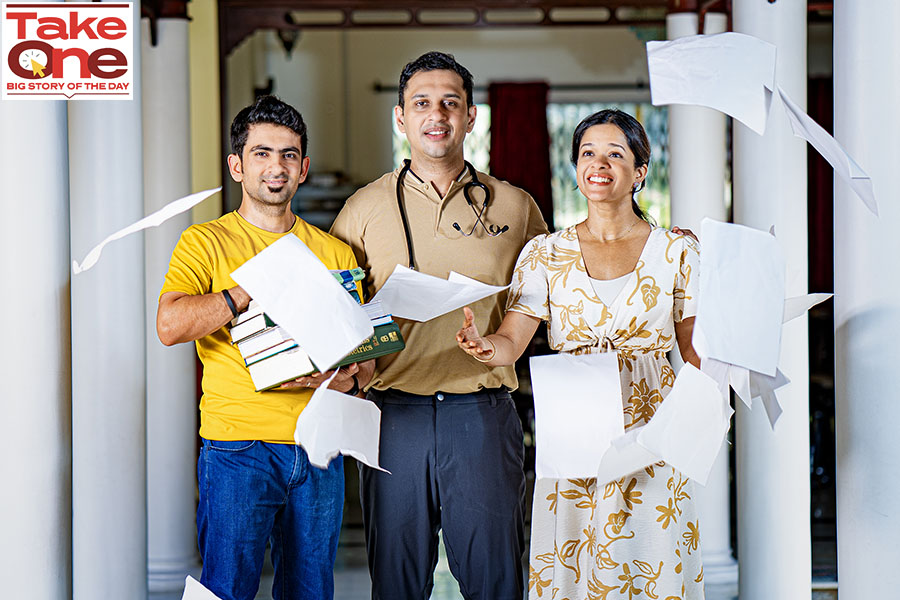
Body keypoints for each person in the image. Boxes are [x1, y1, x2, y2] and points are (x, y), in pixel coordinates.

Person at [456, 109, 705, 600]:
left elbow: (693, 350)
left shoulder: (677, 251)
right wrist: (486, 348)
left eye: (616, 154)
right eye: (588, 153)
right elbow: (512, 340)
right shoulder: (544, 253)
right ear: (574, 167)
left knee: (653, 560)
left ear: (639, 172)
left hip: (653, 427)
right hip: (575, 433)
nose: (599, 164)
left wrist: (699, 413)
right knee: (577, 562)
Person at [329, 51, 549, 599]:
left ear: (472, 116)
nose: (437, 114)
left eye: (451, 102)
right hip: (392, 413)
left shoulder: (517, 206)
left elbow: (542, 298)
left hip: (482, 413)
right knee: (397, 583)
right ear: (401, 118)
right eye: (421, 103)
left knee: (495, 580)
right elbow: (339, 316)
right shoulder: (362, 209)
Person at [156, 95, 373, 600]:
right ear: (237, 165)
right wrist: (247, 289)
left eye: (289, 154)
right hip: (237, 449)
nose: (276, 166)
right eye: (261, 153)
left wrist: (335, 378)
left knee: (311, 591)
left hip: (319, 447)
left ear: (303, 168)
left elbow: (364, 363)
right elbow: (170, 325)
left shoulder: (335, 252)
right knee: (227, 590)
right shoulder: (203, 242)